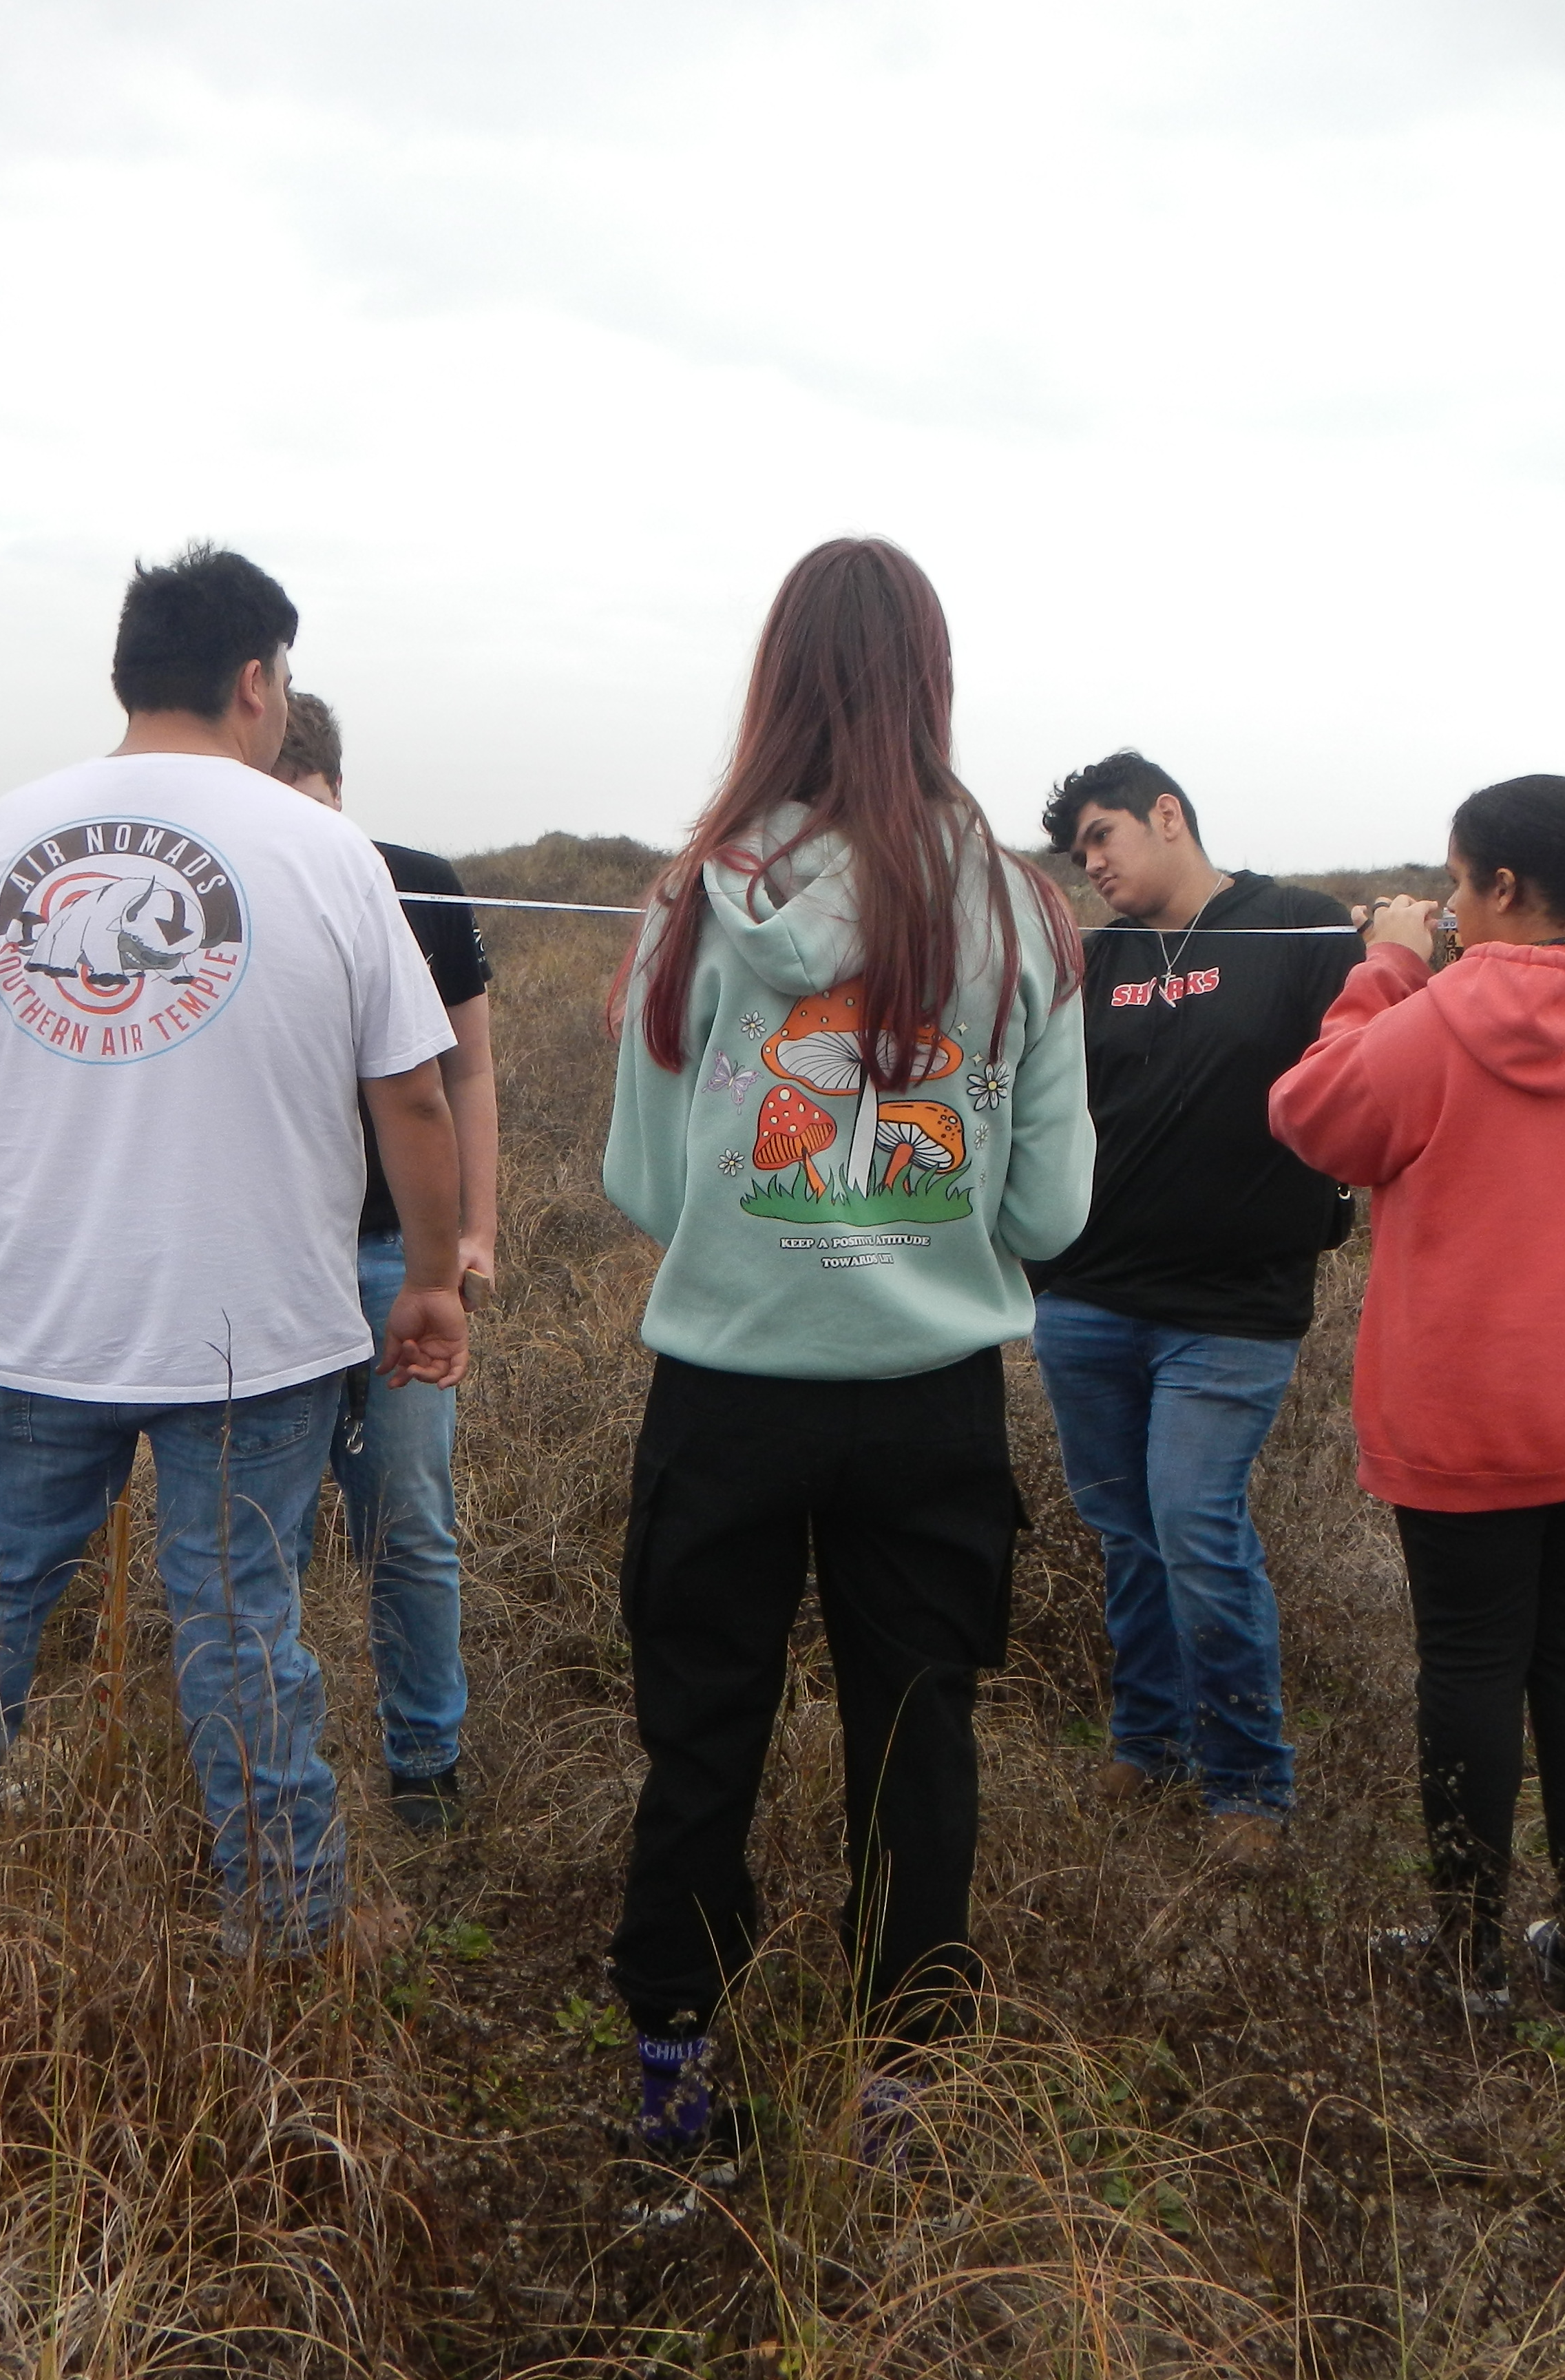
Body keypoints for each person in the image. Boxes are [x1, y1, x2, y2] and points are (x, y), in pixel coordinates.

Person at [0, 545, 466, 1958]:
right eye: (284, 679)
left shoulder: (0, 837)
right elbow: (416, 1093)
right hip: (251, 1326)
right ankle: (287, 1919)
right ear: (257, 681)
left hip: (32, 1314)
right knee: (243, 1622)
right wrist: (432, 1277)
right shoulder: (326, 853)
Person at [598, 537, 1092, 2155]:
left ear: (776, 679)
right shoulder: (1021, 910)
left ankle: (678, 2063)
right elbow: (1050, 1217)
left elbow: (647, 1188)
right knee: (916, 1736)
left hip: (728, 1392)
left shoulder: (695, 896)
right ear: (932, 685)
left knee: (703, 1727)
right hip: (926, 1406)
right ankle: (901, 2076)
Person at [1267, 776, 1565, 2019]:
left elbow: (1311, 1114)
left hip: (1470, 1411)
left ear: (1503, 888)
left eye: (1457, 883)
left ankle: (1467, 1961)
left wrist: (1389, 966)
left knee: (1469, 1665)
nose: (1449, 906)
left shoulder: (1437, 1012)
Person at [1028, 751, 1357, 1864]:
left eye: (1104, 838)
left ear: (1167, 815)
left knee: (1196, 1528)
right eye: (1078, 857)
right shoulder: (1096, 961)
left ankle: (1248, 1786)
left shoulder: (1299, 929)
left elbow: (1375, 1058)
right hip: (1086, 1299)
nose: (1095, 867)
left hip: (1231, 1309)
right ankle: (1148, 1737)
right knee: (1127, 1534)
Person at [273, 691, 496, 1833]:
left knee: (407, 1518)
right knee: (260, 1532)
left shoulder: (418, 880)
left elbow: (461, 1072)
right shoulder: (236, 888)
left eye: (312, 808)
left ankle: (426, 1760)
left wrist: (474, 1231)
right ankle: (268, 1765)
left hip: (389, 1256)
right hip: (265, 1262)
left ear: (341, 793)